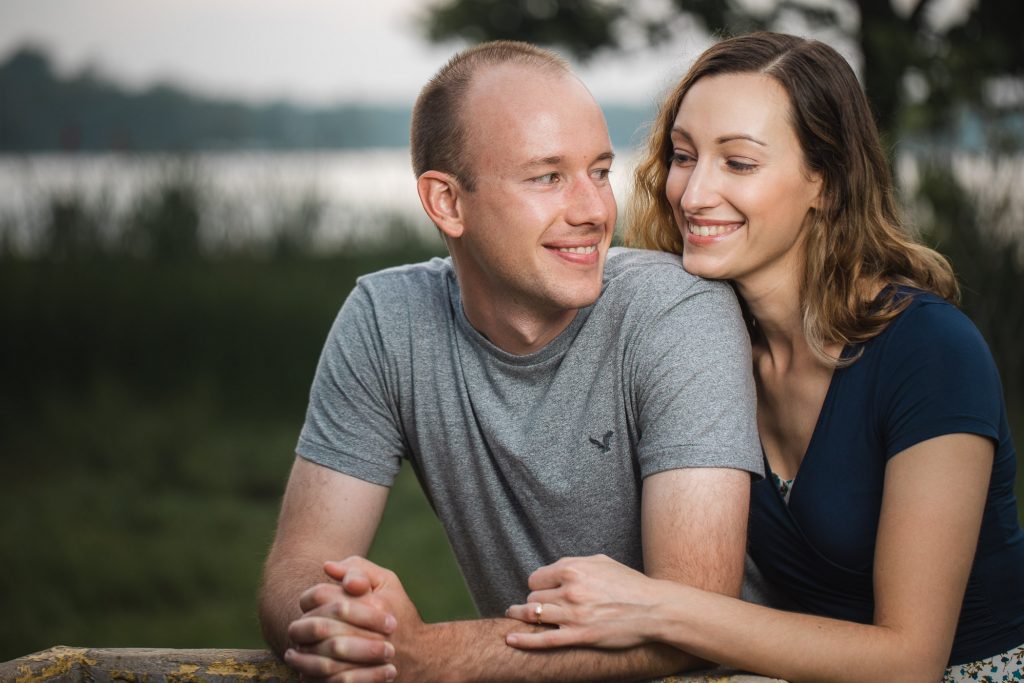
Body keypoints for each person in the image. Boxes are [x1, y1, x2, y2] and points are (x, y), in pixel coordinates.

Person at [504, 31, 1024, 682]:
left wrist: (657, 606)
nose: (692, 195)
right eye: (684, 156)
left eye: (739, 163)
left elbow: (909, 659)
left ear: (826, 183)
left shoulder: (932, 354)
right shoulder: (707, 348)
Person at [258, 40, 765, 682]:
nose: (593, 212)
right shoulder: (386, 321)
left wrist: (434, 656)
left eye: (600, 172)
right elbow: (297, 566)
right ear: (447, 202)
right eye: (547, 176)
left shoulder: (677, 311)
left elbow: (694, 615)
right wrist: (340, 623)